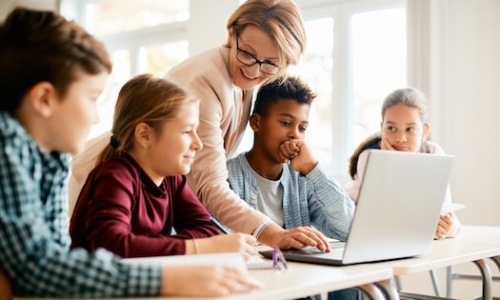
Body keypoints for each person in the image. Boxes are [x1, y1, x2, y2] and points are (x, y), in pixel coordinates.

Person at [0, 7, 260, 297]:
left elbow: (52, 264)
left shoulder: (53, 157)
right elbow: (40, 269)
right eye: (91, 98)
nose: (95, 119)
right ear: (44, 99)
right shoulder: (7, 151)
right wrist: (169, 276)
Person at [70, 0, 330, 252]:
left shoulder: (174, 181)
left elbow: (203, 223)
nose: (254, 70)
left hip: (155, 191)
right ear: (231, 34)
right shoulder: (204, 84)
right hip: (119, 192)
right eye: (248, 54)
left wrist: (197, 245)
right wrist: (272, 234)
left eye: (270, 63)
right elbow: (209, 187)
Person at [70, 74, 256, 259]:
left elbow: (208, 230)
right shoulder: (115, 177)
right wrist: (199, 248)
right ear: (144, 135)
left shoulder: (171, 179)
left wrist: (146, 246)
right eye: (186, 131)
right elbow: (112, 247)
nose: (198, 144)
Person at [227, 76, 360, 300]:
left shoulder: (303, 179)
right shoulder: (226, 177)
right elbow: (225, 248)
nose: (295, 135)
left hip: (299, 292)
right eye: (286, 123)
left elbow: (348, 230)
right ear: (256, 123)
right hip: (252, 291)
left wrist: (312, 169)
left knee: (357, 284)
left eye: (302, 127)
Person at [344, 87, 461, 239]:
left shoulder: (434, 154)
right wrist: (392, 163)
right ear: (382, 128)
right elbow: (382, 217)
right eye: (391, 128)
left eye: (410, 129)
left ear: (425, 131)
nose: (400, 138)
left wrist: (450, 228)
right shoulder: (369, 157)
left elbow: (447, 213)